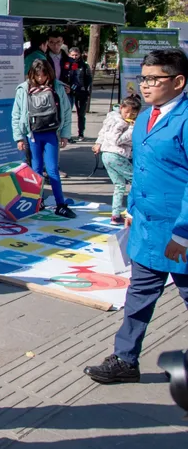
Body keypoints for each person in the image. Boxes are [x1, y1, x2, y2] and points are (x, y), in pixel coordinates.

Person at [84, 49, 188, 385]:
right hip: (146, 226)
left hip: (178, 231)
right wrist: (131, 208)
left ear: (179, 81)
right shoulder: (145, 116)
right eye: (143, 78)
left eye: (154, 79)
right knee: (139, 295)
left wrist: (183, 234)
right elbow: (141, 170)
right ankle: (125, 360)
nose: (145, 85)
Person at [11, 58, 76, 218]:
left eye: (43, 75)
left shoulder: (57, 87)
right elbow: (16, 114)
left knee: (53, 169)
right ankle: (37, 202)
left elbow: (66, 112)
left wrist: (66, 135)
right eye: (37, 76)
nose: (40, 79)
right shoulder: (23, 89)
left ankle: (60, 204)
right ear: (32, 74)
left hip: (51, 133)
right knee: (36, 169)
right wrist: (19, 137)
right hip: (32, 134)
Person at [92, 96, 141, 225]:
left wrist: (98, 143)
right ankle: (134, 211)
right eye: (127, 112)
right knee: (137, 181)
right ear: (121, 108)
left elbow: (103, 132)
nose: (129, 115)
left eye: (133, 114)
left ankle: (115, 215)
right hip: (116, 156)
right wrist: (131, 129)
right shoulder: (121, 122)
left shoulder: (111, 117)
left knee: (119, 185)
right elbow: (117, 140)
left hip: (106, 155)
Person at [68, 46, 93, 140]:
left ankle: (81, 133)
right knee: (67, 114)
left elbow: (89, 79)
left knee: (81, 114)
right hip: (70, 92)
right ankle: (67, 135)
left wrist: (85, 89)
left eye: (76, 55)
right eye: (72, 55)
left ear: (79, 55)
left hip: (81, 93)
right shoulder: (67, 64)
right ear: (69, 55)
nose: (74, 57)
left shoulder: (84, 66)